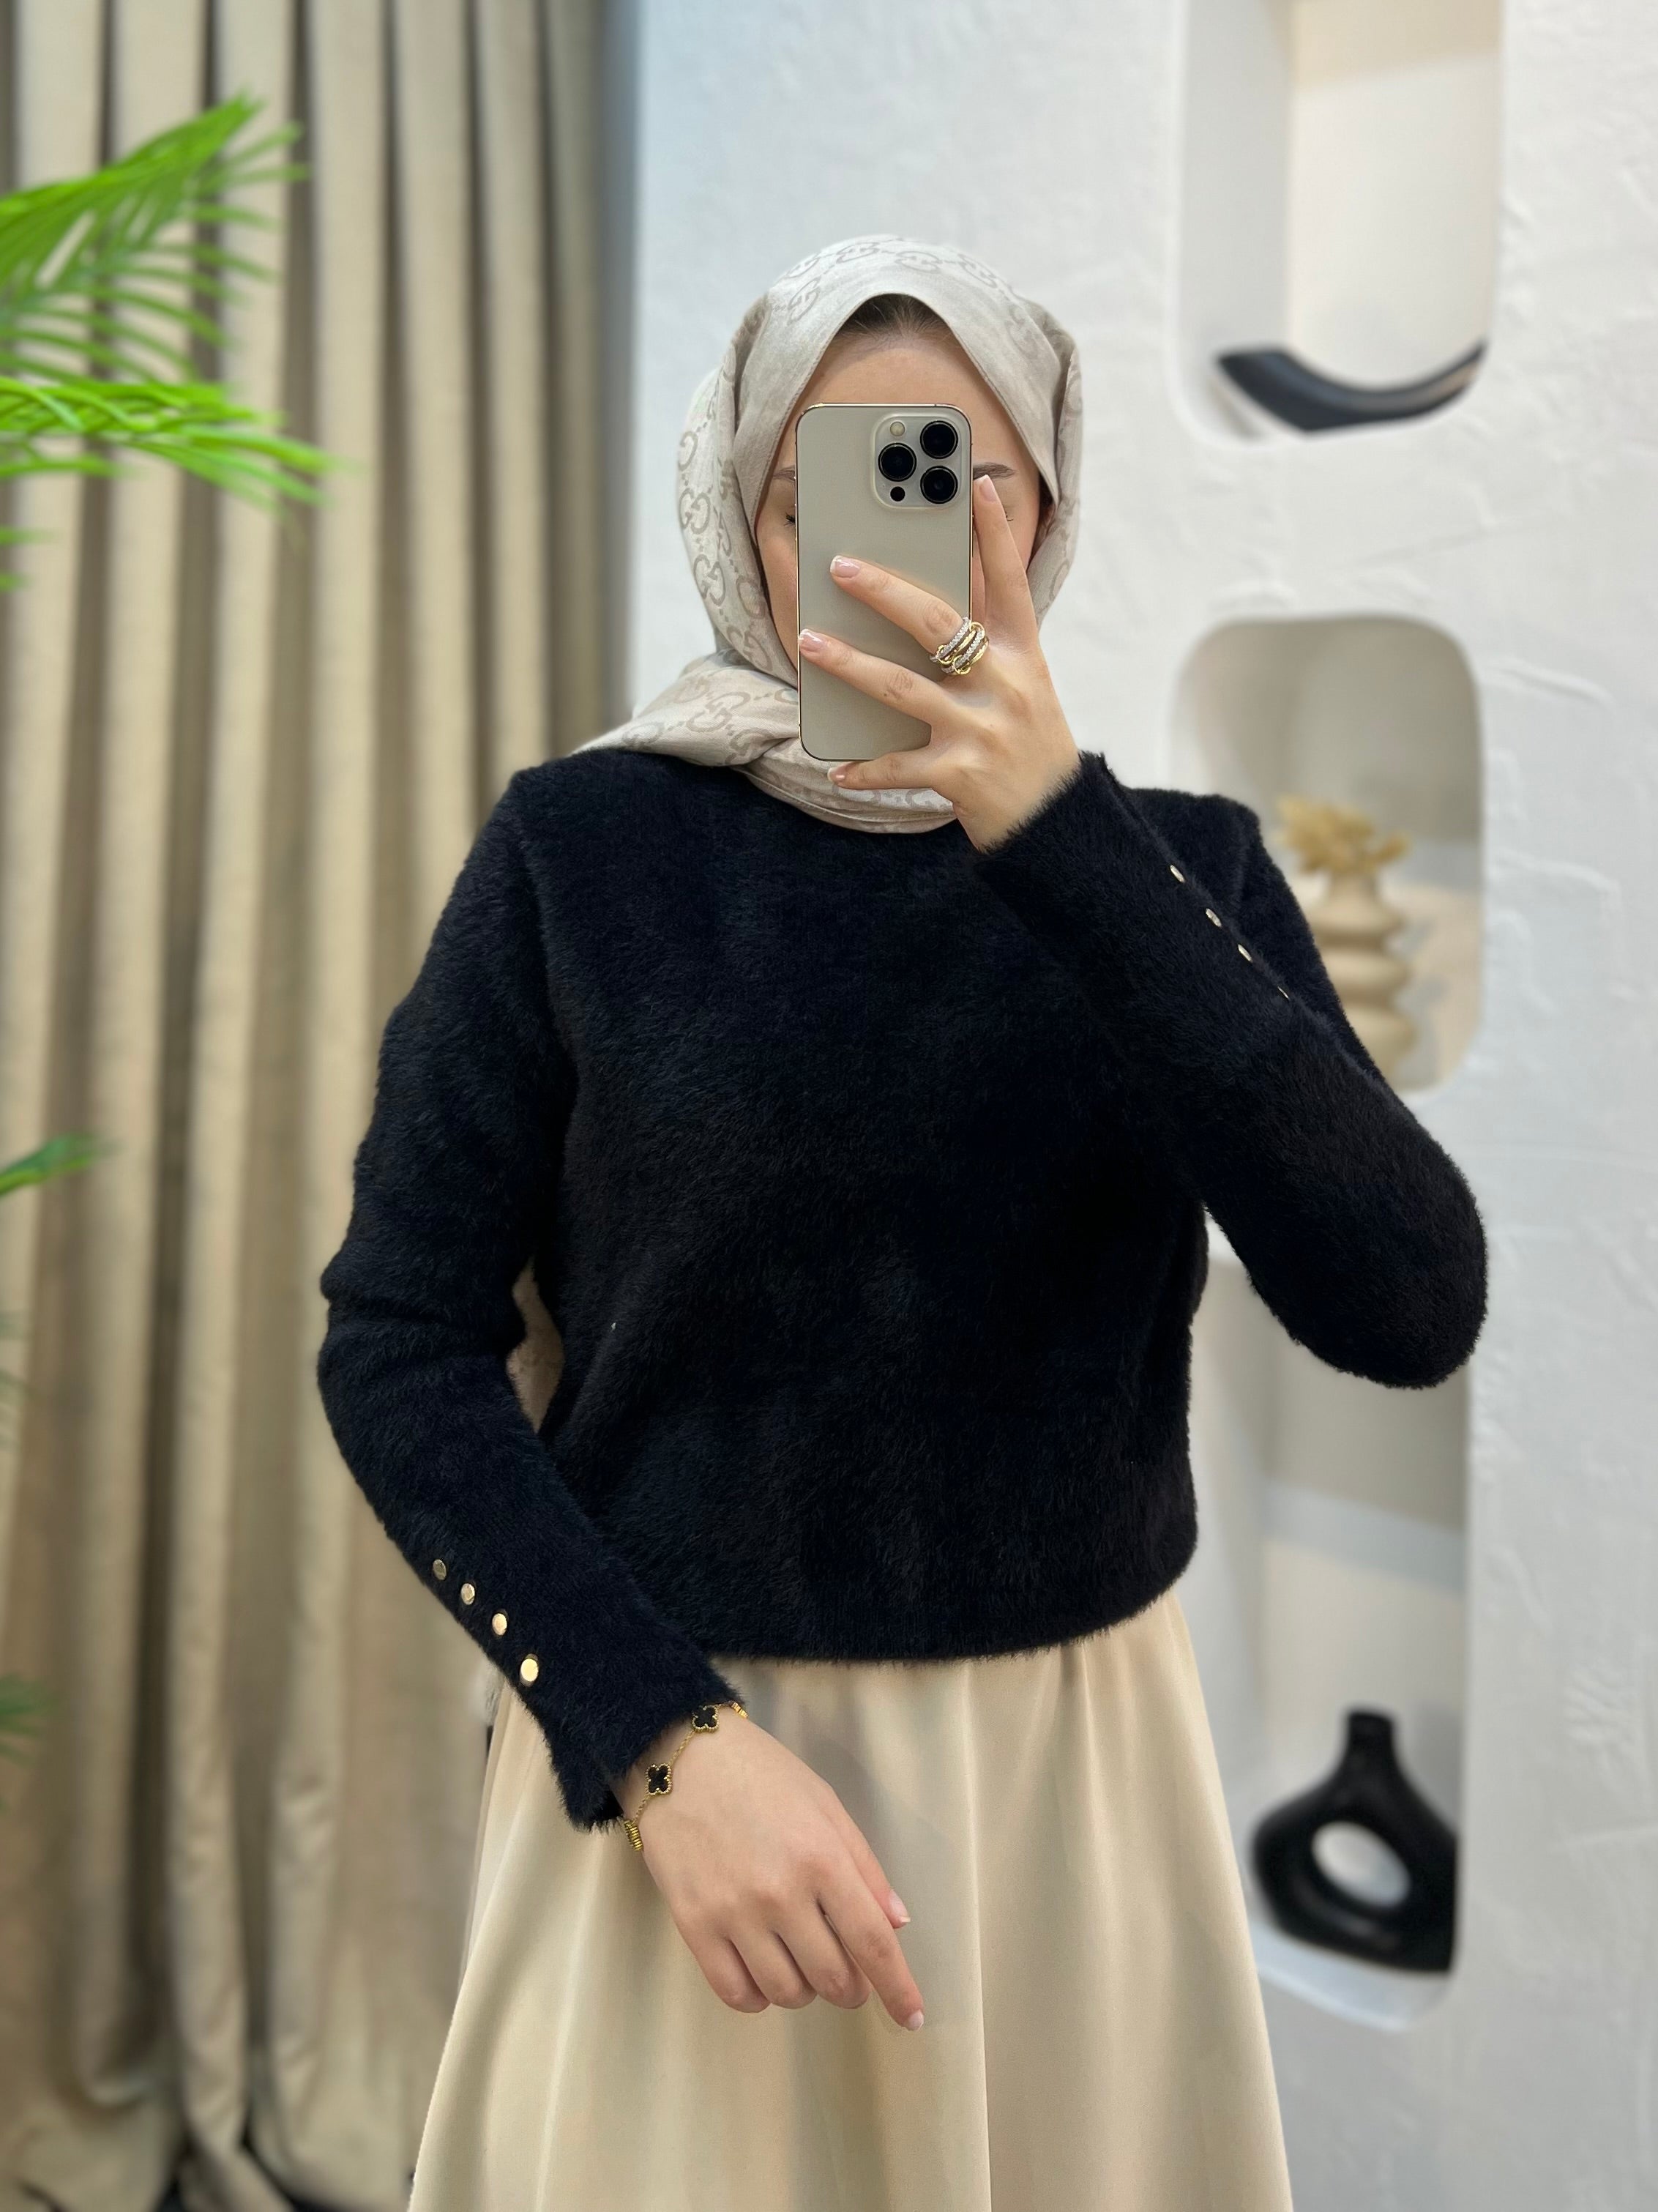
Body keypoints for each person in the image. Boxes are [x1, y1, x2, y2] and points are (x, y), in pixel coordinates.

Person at [316, 234, 1486, 2211]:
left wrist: (1062, 839)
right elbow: (399, 1339)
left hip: (1072, 1799)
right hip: (682, 1779)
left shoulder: (1179, 873)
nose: (886, 544)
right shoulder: (581, 855)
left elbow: (1406, 1302)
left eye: (952, 478)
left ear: (1042, 506)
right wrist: (657, 1742)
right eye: (821, 489)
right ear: (741, 517)